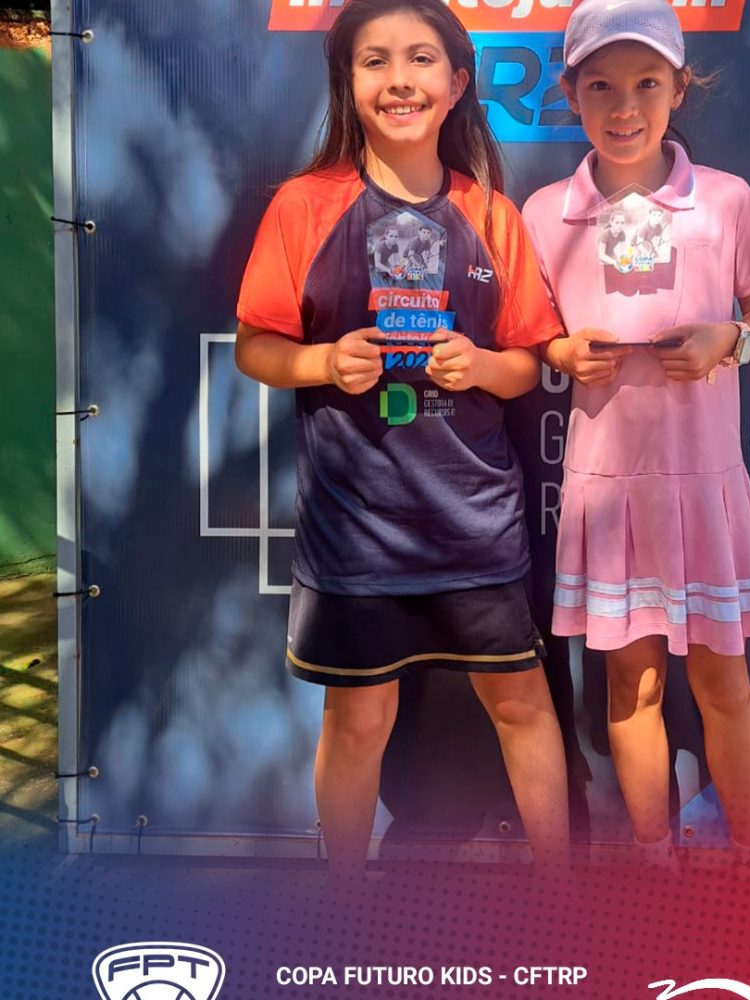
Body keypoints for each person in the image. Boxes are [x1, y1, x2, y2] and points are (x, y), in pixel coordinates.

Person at [235, 0, 570, 885]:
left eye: (421, 59)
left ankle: (562, 893)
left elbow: (528, 365)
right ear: (348, 82)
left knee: (523, 706)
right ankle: (344, 900)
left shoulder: (492, 213)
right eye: (374, 60)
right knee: (357, 723)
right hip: (356, 531)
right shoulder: (304, 206)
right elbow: (254, 346)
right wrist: (321, 362)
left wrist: (480, 366)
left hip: (476, 525)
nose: (399, 80)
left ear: (457, 83)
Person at [522, 0, 750, 872]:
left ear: (679, 88)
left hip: (704, 487)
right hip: (608, 494)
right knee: (629, 689)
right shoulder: (544, 213)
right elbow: (529, 336)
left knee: (722, 684)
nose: (624, 106)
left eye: (645, 83)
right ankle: (653, 863)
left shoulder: (728, 200)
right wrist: (562, 351)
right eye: (600, 86)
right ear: (570, 94)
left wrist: (728, 339)